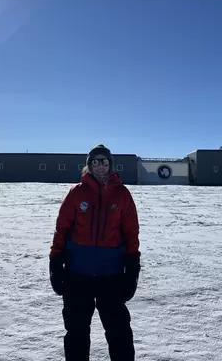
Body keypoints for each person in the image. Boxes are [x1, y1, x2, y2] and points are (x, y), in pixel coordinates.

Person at [49, 144, 141, 361]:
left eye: (104, 161)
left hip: (111, 276)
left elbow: (131, 233)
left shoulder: (122, 194)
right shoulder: (76, 193)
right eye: (96, 161)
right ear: (89, 165)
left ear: (110, 165)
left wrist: (132, 269)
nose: (100, 166)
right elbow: (61, 229)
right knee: (77, 331)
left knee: (119, 332)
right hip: (77, 275)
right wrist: (55, 263)